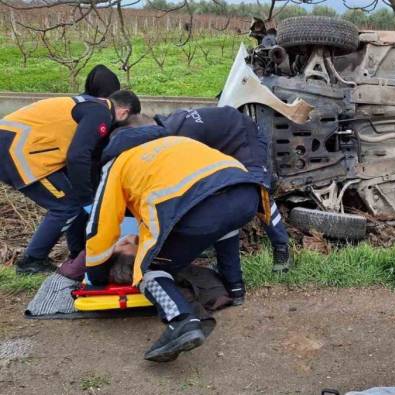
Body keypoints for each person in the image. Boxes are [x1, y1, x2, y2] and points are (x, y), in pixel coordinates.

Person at [85, 133, 270, 362]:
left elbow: (99, 225)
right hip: (247, 194)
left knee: (147, 268)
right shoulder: (171, 143)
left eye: (122, 241)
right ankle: (235, 288)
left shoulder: (117, 164)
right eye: (122, 243)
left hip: (198, 207)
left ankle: (181, 320)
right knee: (225, 227)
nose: (128, 238)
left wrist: (96, 273)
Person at [130, 107, 293, 272]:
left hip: (244, 138)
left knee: (258, 191)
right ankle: (225, 265)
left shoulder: (179, 138)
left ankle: (281, 247)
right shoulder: (168, 127)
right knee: (219, 201)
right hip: (223, 150)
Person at [0, 90, 141, 274]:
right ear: (123, 112)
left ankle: (75, 252)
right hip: (18, 151)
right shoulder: (101, 113)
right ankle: (31, 262)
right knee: (67, 205)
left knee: (72, 202)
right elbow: (77, 156)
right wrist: (87, 200)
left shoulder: (92, 105)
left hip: (20, 146)